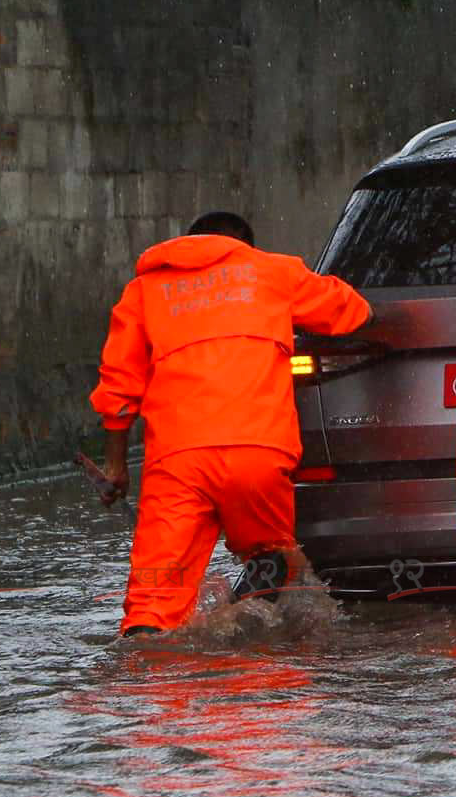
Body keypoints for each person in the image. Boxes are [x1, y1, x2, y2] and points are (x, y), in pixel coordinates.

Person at [91, 211, 371, 637]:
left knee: (152, 601)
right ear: (244, 246)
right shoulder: (271, 272)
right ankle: (264, 673)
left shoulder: (143, 291)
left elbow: (118, 387)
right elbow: (353, 312)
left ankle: (146, 685)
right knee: (271, 559)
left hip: (176, 462)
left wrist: (115, 466)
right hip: (258, 450)